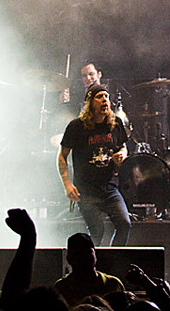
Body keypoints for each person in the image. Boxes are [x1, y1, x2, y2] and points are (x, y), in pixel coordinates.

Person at [58, 82, 131, 245]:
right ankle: (91, 265)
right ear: (90, 103)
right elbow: (62, 156)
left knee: (125, 224)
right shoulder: (77, 126)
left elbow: (124, 147)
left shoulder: (116, 123)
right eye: (100, 97)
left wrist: (122, 155)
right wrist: (67, 185)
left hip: (110, 188)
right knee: (97, 230)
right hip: (87, 190)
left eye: (106, 96)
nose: (105, 100)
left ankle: (112, 261)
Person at [53, 233, 125, 306]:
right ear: (69, 258)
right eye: (78, 254)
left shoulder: (114, 284)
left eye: (87, 252)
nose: (83, 258)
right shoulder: (62, 288)